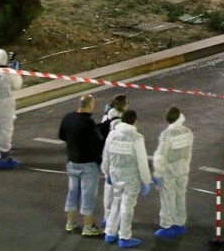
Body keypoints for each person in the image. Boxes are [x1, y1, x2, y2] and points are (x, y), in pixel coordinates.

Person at [102, 109, 156, 248]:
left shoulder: (112, 134)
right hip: (131, 177)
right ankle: (124, 236)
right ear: (134, 121)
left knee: (116, 202)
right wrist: (146, 180)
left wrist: (107, 172)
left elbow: (106, 155)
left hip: (115, 174)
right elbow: (142, 161)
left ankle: (110, 232)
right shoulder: (136, 138)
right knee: (127, 206)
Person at [58, 94, 105, 237]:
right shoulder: (88, 122)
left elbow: (62, 135)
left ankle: (70, 223)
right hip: (88, 165)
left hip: (72, 162)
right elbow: (97, 144)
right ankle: (88, 226)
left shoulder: (68, 117)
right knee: (87, 195)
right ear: (90, 106)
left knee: (72, 193)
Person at [152, 106, 194, 238]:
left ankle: (166, 225)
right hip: (183, 168)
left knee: (167, 197)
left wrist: (157, 173)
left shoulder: (167, 134)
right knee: (180, 195)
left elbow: (161, 155)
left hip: (168, 170)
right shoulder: (187, 131)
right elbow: (189, 151)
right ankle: (180, 223)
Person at [101, 93, 128, 225]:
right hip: (118, 158)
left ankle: (107, 216)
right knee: (119, 192)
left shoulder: (106, 117)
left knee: (109, 190)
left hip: (108, 155)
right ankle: (117, 219)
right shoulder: (120, 120)